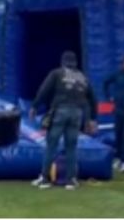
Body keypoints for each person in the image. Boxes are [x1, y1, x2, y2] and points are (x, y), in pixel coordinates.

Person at [30, 51, 98, 190]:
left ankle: (44, 178)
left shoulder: (57, 73)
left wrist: (35, 106)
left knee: (51, 145)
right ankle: (71, 180)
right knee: (71, 147)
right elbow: (92, 99)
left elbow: (44, 90)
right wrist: (92, 119)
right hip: (77, 113)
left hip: (60, 110)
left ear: (63, 61)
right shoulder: (82, 77)